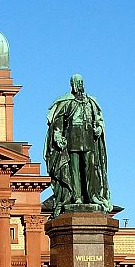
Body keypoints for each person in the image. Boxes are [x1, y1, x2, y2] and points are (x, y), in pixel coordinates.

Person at [45, 74, 112, 217]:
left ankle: (91, 195)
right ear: (72, 85)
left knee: (90, 167)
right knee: (74, 169)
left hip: (88, 138)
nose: (79, 85)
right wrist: (57, 135)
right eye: (76, 82)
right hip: (72, 139)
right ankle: (76, 196)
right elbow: (58, 121)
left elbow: (98, 119)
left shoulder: (91, 102)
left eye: (81, 82)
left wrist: (99, 128)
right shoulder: (67, 102)